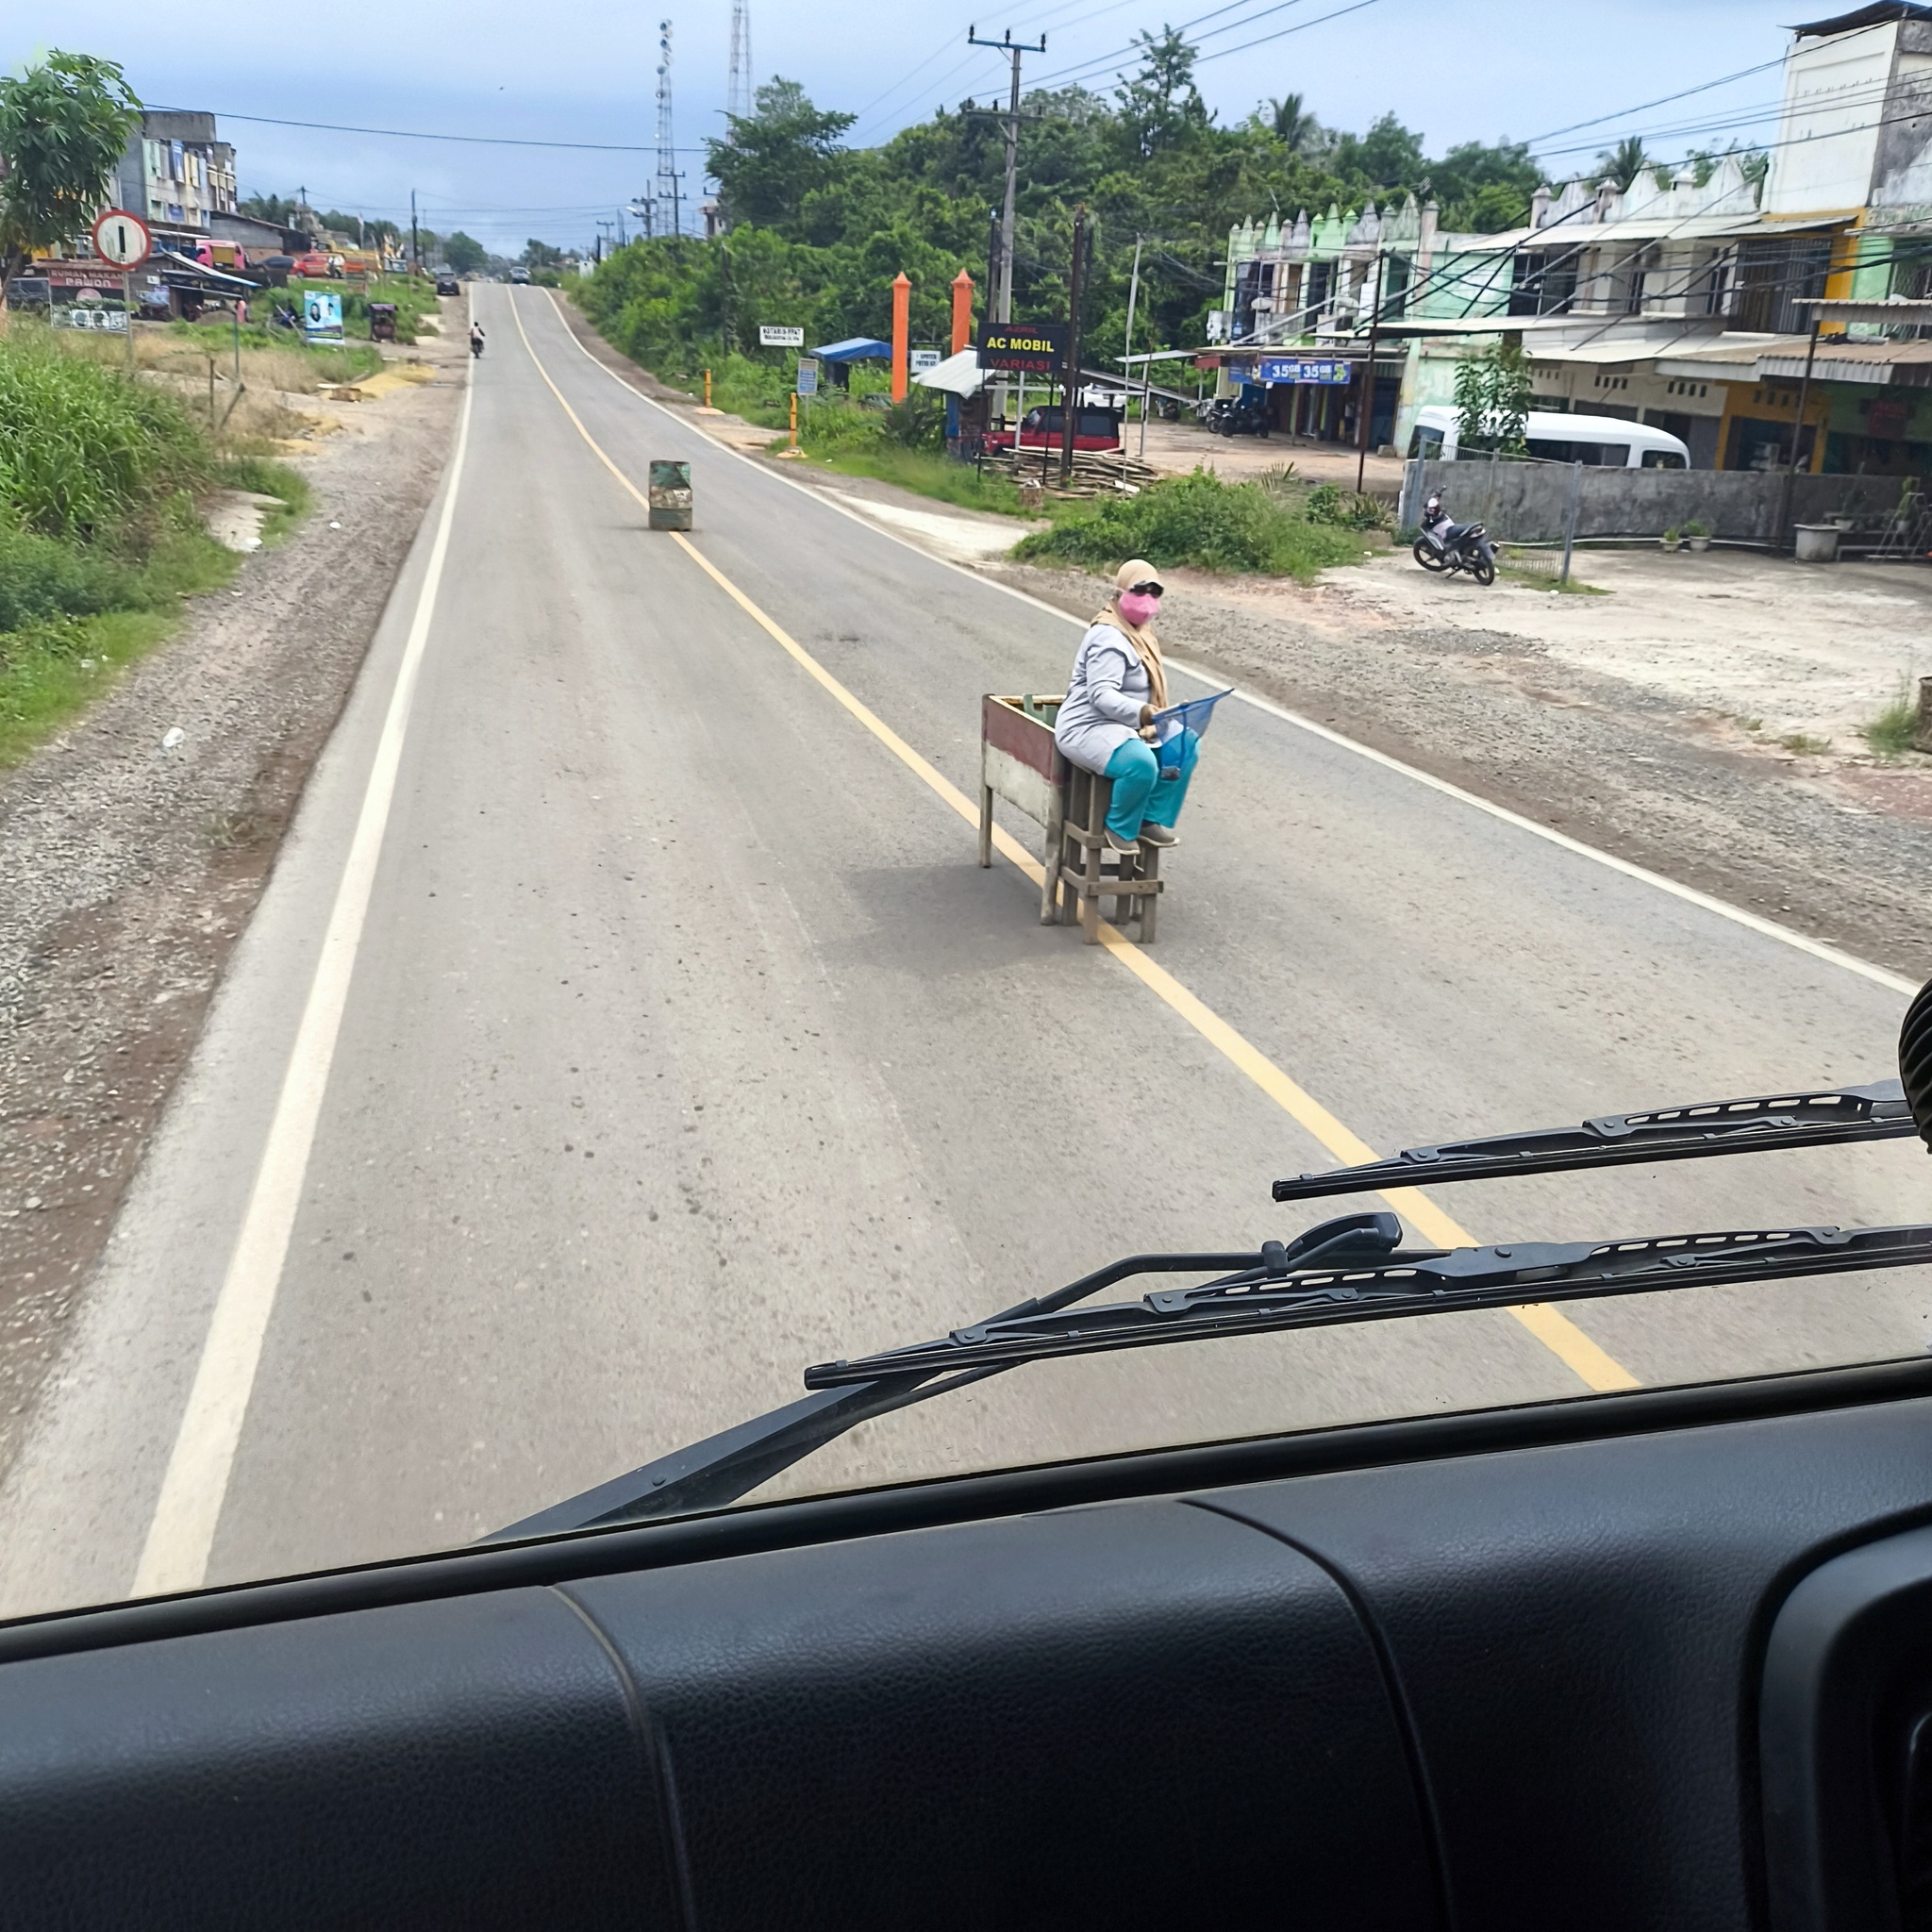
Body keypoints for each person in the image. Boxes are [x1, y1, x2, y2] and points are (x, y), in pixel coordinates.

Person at [1053, 558, 1199, 853]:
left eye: (1154, 592)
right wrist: (1144, 712)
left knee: (1186, 745)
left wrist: (1158, 715)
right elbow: (1102, 696)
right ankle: (1119, 826)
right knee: (1139, 764)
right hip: (1089, 726)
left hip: (1131, 726)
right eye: (1139, 590)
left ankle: (1149, 819)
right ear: (1119, 592)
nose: (1147, 599)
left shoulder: (1141, 633)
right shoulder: (1108, 636)